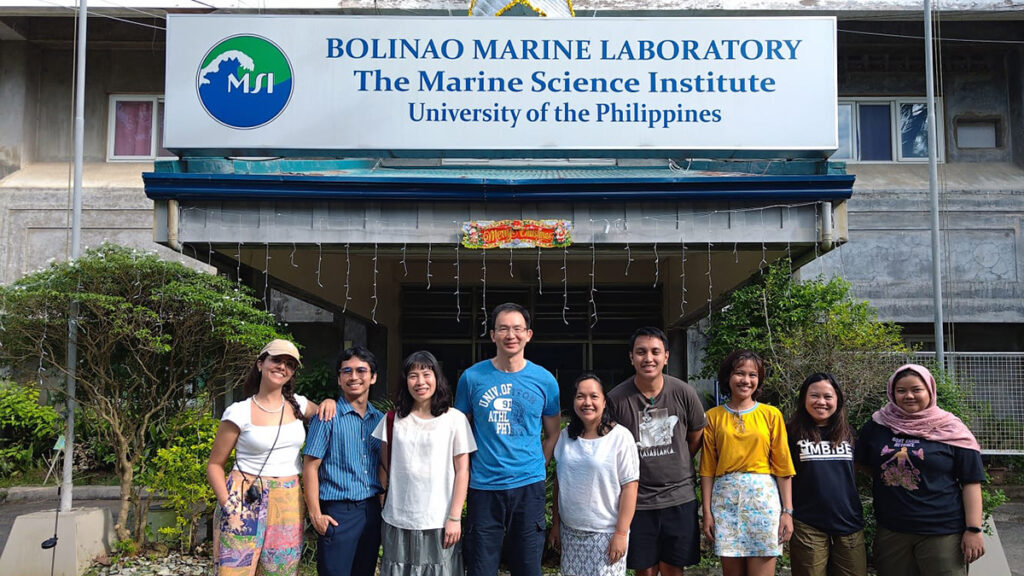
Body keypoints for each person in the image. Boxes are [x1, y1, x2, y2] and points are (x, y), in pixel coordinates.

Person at [207, 338, 337, 576]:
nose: (282, 367)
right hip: (243, 495)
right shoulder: (238, 411)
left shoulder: (299, 404)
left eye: (289, 364)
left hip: (288, 498)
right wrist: (228, 505)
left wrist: (329, 401)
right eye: (276, 360)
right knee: (234, 569)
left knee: (281, 570)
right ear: (260, 364)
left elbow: (326, 416)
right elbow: (215, 464)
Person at [454, 302, 561, 576]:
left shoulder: (545, 380)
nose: (510, 335)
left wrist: (539, 465)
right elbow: (458, 432)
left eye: (517, 329)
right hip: (483, 486)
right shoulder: (472, 378)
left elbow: (553, 433)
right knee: (480, 567)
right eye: (503, 328)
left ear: (528, 334)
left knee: (527, 567)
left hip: (528, 487)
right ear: (492, 335)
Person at [854, 363, 985, 576]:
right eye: (901, 390)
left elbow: (971, 482)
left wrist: (973, 529)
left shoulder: (951, 429)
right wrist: (895, 477)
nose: (909, 396)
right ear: (892, 393)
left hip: (942, 533)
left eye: (917, 389)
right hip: (891, 531)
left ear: (930, 391)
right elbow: (863, 464)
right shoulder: (878, 425)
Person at [606, 326, 706, 576]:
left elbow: (695, 437)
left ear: (666, 356)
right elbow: (608, 447)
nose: (648, 358)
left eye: (655, 352)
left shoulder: (684, 392)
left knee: (674, 568)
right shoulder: (616, 399)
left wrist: (678, 461)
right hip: (638, 501)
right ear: (631, 357)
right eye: (641, 352)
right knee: (645, 569)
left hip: (679, 497)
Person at [372, 350, 477, 576]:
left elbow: (462, 471)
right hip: (398, 519)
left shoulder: (454, 419)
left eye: (426, 374)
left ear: (437, 378)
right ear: (405, 381)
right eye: (413, 375)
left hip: (439, 520)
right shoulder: (392, 419)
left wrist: (454, 517)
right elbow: (386, 466)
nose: (420, 382)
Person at [700, 349, 795, 576]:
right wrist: (707, 512)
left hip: (763, 503)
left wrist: (787, 512)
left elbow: (783, 467)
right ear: (728, 377)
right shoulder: (712, 417)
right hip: (725, 503)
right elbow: (707, 468)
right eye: (739, 373)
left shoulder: (771, 414)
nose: (746, 380)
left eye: (753, 375)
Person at [302, 346, 385, 576]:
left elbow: (382, 466)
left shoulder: (379, 420)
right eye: (347, 371)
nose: (354, 377)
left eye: (361, 370)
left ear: (373, 377)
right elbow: (310, 466)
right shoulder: (327, 415)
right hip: (339, 512)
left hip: (371, 511)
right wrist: (315, 513)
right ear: (339, 379)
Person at [549, 373, 640, 576]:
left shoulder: (620, 437)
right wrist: (556, 524)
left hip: (606, 534)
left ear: (604, 401)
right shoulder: (565, 437)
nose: (587, 402)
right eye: (580, 396)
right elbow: (559, 483)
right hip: (571, 533)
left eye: (594, 396)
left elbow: (630, 488)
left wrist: (621, 533)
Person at [786, 373, 866, 576]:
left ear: (837, 400)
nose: (821, 402)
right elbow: (783, 475)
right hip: (807, 522)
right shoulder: (790, 434)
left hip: (848, 521)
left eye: (828, 396)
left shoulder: (849, 433)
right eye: (814, 395)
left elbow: (855, 470)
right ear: (804, 398)